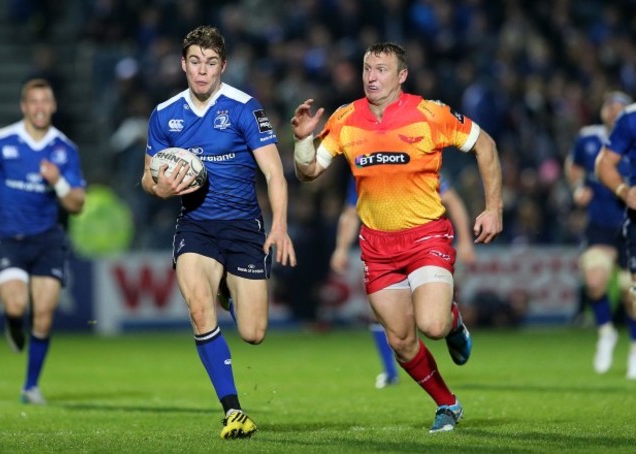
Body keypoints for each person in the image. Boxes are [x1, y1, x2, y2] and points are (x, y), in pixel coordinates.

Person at [290, 42, 502, 433]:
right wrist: (304, 140)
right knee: (401, 342)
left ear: (401, 76)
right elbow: (308, 173)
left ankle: (454, 324)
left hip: (426, 237)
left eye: (382, 69)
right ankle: (447, 403)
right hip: (378, 247)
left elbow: (485, 145)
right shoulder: (345, 118)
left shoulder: (430, 114)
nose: (372, 76)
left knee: (433, 326)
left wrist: (493, 208)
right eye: (367, 68)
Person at [140, 25, 296, 439]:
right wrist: (161, 187)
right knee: (197, 307)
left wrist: (279, 225)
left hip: (244, 227)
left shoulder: (245, 108)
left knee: (253, 333)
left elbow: (274, 172)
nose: (202, 71)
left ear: (223, 66)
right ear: (183, 64)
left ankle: (228, 289)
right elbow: (147, 179)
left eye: (211, 63)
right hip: (196, 226)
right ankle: (233, 410)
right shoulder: (164, 114)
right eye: (195, 62)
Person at [0, 78, 86, 404]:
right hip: (9, 239)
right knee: (17, 305)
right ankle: (14, 324)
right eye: (34, 102)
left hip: (48, 240)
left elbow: (77, 204)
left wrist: (58, 183)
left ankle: (30, 386)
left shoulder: (64, 149)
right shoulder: (0, 142)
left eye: (46, 101)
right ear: (24, 106)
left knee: (43, 314)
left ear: (53, 106)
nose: (40, 108)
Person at [330, 174, 476, 390]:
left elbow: (451, 200)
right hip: (383, 251)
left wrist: (465, 241)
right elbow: (351, 212)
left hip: (425, 245)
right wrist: (341, 248)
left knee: (429, 320)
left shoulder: (415, 159)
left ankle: (452, 321)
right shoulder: (363, 169)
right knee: (384, 314)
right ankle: (390, 373)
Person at [565, 91, 635, 375]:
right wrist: (578, 187)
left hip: (628, 221)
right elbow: (574, 165)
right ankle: (606, 333)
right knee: (594, 281)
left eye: (620, 107)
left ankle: (633, 345)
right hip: (602, 222)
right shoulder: (589, 137)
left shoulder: (629, 134)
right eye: (611, 107)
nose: (615, 112)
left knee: (628, 293)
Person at [595, 96, 636, 380]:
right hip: (605, 222)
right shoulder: (630, 120)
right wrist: (625, 191)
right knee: (600, 281)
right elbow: (603, 163)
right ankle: (607, 333)